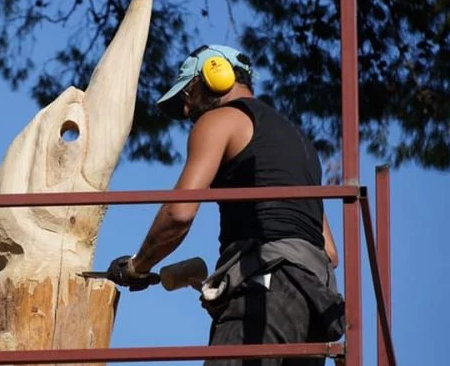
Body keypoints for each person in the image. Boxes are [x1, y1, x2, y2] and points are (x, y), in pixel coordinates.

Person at [107, 44, 346, 366]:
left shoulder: (221, 118)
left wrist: (138, 266)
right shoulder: (297, 142)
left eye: (188, 95)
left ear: (214, 74)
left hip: (265, 290)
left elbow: (178, 213)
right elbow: (329, 253)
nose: (188, 111)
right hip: (316, 303)